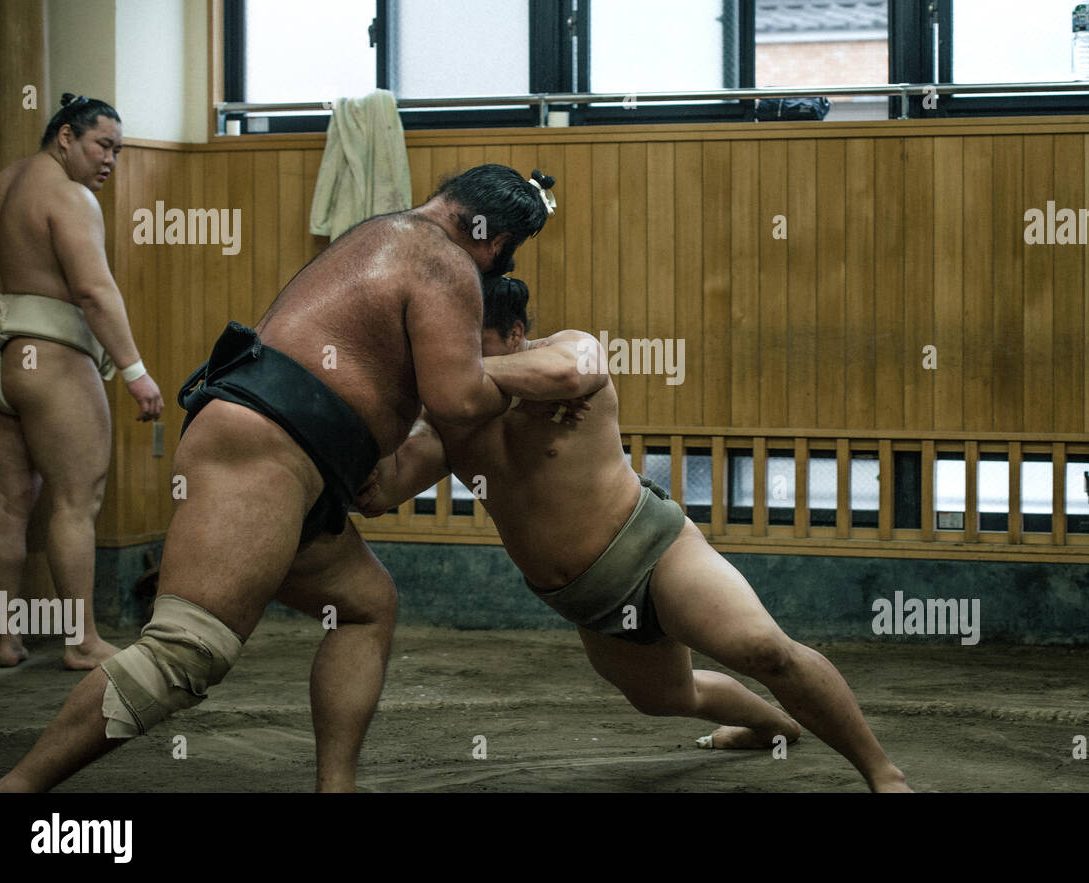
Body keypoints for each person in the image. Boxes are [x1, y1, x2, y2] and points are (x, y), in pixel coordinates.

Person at [0, 165, 565, 793]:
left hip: (300, 460)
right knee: (186, 652)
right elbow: (455, 399)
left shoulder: (381, 233)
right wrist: (528, 381)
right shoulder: (445, 261)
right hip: (267, 447)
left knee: (364, 606)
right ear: (496, 240)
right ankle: (14, 790)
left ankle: (334, 787)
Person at [355, 275, 913, 792]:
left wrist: (459, 379)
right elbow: (379, 494)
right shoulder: (448, 424)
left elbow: (572, 373)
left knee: (763, 650)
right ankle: (773, 729)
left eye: (469, 344)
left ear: (516, 333)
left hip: (655, 553)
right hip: (588, 601)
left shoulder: (567, 352)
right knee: (670, 697)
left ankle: (882, 774)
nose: (448, 360)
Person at [0, 93, 164, 670]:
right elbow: (94, 291)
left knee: (7, 500)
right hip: (50, 356)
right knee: (75, 500)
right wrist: (135, 372)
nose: (110, 160)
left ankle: (5, 639)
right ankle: (81, 640)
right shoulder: (70, 195)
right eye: (101, 145)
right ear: (65, 136)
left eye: (118, 149)